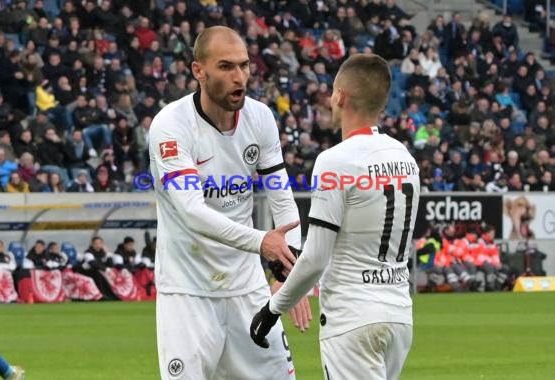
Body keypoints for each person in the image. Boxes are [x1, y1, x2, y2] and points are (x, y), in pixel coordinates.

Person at [148, 25, 311, 380]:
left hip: (247, 290)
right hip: (188, 292)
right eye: (225, 67)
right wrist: (261, 242)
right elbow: (192, 212)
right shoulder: (171, 127)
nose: (239, 77)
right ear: (198, 71)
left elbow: (282, 200)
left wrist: (289, 273)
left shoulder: (260, 117)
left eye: (244, 65)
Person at [250, 54, 421, 380]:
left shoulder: (335, 161)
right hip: (399, 314)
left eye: (331, 92)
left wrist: (272, 310)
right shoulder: (405, 157)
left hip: (353, 319)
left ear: (340, 96)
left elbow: (315, 258)